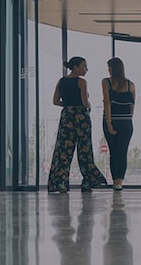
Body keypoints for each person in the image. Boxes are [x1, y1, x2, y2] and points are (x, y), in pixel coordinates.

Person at [47, 56, 107, 193]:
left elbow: (55, 101)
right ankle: (89, 180)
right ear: (75, 67)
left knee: (63, 150)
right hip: (81, 117)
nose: (86, 69)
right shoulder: (81, 82)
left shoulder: (61, 81)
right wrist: (88, 104)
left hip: (67, 116)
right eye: (84, 66)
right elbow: (85, 102)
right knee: (84, 149)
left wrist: (68, 106)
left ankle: (59, 182)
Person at [102, 57, 135, 191]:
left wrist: (109, 123)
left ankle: (116, 180)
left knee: (114, 152)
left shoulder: (106, 82)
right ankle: (119, 182)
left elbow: (107, 102)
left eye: (109, 67)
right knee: (122, 152)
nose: (108, 70)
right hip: (127, 122)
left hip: (111, 120)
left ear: (113, 69)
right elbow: (132, 105)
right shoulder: (130, 84)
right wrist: (127, 119)